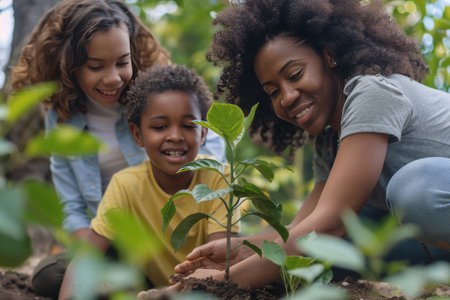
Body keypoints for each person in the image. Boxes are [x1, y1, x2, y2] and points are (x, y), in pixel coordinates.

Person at [171, 0, 450, 289]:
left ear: (329, 56)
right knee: (337, 244)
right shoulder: (332, 142)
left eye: (294, 75)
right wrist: (241, 250)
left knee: (412, 191)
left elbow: (330, 224)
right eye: (273, 91)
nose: (287, 96)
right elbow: (303, 230)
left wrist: (219, 285)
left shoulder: (371, 91)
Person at [12, 0, 226, 297]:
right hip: (114, 241)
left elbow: (209, 142)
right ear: (69, 65)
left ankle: (156, 282)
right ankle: (135, 282)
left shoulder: (157, 99)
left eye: (122, 62)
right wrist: (92, 253)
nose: (113, 78)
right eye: (96, 66)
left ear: (134, 56)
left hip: (177, 233)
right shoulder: (61, 119)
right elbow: (71, 205)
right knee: (49, 275)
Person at [58, 64, 240, 300]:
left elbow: (220, 267)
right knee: (52, 275)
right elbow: (85, 258)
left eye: (188, 125)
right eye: (160, 127)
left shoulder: (219, 178)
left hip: (200, 289)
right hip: (146, 285)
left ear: (203, 134)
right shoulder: (125, 184)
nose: (175, 136)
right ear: (137, 134)